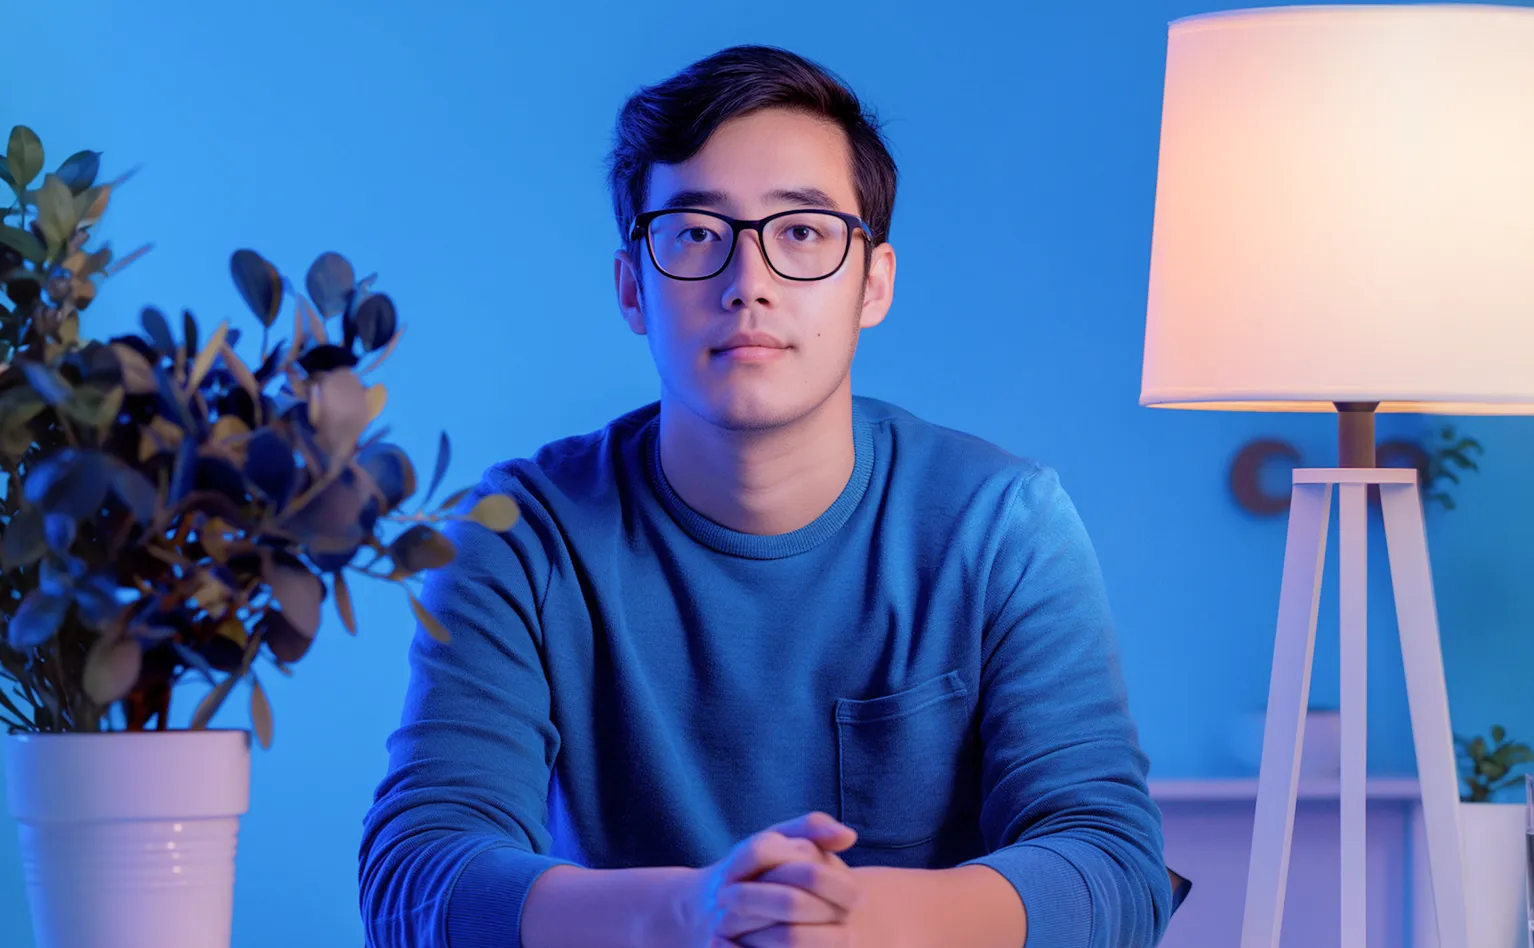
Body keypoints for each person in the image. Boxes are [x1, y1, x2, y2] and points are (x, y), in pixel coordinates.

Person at [359, 44, 1174, 948]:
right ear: (632, 288)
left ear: (874, 282)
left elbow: (1114, 866)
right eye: (695, 234)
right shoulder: (520, 534)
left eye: (803, 233)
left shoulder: (1003, 527)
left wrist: (862, 920)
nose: (748, 284)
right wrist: (692, 911)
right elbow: (415, 877)